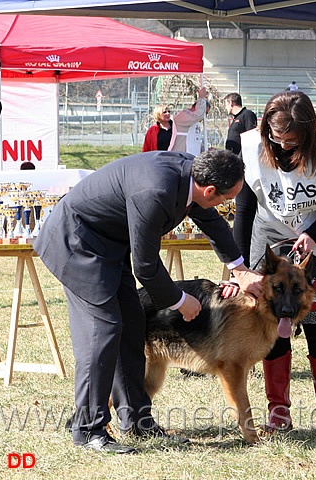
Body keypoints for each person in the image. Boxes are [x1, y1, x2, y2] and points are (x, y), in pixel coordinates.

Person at [34, 149, 263, 454]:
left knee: (131, 323)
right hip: (75, 243)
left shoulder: (191, 177)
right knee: (102, 330)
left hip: (108, 246)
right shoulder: (156, 191)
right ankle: (88, 429)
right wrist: (180, 300)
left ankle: (136, 420)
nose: (224, 205)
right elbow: (145, 266)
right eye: (224, 199)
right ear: (209, 190)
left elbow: (211, 221)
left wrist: (241, 270)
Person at [234, 90, 316, 439]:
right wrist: (240, 266)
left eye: (292, 140)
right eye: (277, 138)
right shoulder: (253, 148)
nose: (284, 145)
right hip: (269, 239)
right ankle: (278, 413)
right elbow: (244, 208)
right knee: (273, 326)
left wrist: (314, 232)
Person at [169, 86, 210, 155]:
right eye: (205, 112)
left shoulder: (195, 122)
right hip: (180, 156)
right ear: (196, 106)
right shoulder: (182, 116)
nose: (204, 116)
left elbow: (195, 141)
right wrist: (201, 98)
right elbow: (199, 115)